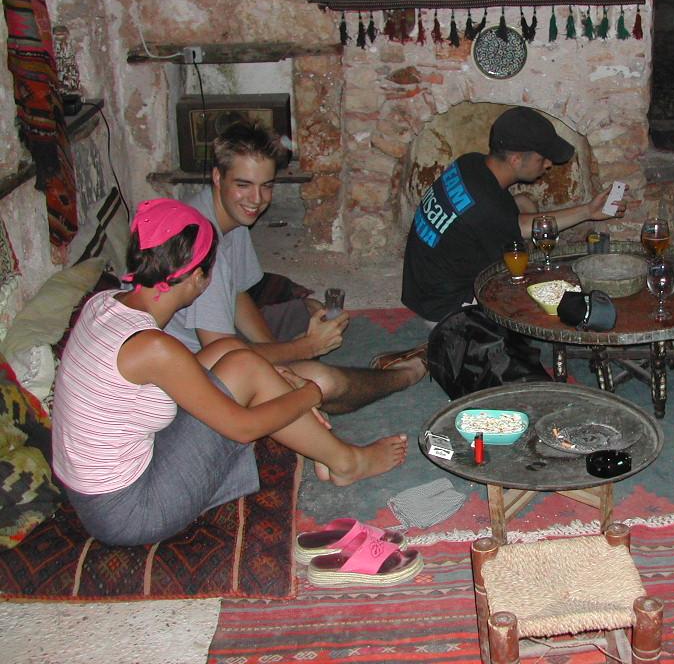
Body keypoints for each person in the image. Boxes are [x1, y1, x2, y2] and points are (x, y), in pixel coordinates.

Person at [51, 199, 408, 546]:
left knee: (234, 353)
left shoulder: (105, 303)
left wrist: (282, 381)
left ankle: (330, 452)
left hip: (90, 494)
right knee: (248, 371)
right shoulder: (154, 349)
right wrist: (310, 393)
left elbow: (213, 359)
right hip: (129, 511)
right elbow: (243, 427)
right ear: (197, 278)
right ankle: (348, 461)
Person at [163, 121, 423, 413]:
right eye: (243, 185)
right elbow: (222, 356)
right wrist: (306, 349)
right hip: (189, 379)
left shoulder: (227, 217)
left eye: (266, 186)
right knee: (323, 383)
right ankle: (406, 375)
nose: (256, 200)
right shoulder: (203, 243)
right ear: (217, 177)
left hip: (215, 345)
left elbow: (237, 295)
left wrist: (282, 354)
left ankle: (293, 362)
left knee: (307, 310)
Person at [401, 106, 629, 323]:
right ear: (516, 159)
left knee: (524, 201)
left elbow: (508, 220)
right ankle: (426, 356)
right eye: (542, 158)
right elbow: (512, 257)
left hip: (421, 285)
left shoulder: (470, 162)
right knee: (535, 294)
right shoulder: (486, 208)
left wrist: (589, 211)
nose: (549, 164)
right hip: (444, 306)